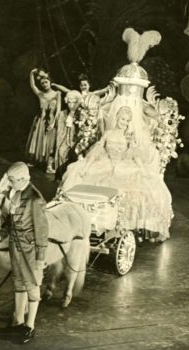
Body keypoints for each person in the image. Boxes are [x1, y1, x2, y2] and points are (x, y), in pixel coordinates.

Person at [61, 106, 173, 241]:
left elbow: (134, 154)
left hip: (122, 164)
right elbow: (98, 148)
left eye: (126, 120)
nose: (124, 122)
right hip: (106, 162)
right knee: (83, 174)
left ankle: (118, 224)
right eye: (122, 119)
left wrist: (141, 167)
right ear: (117, 118)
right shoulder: (108, 133)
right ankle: (88, 219)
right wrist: (88, 163)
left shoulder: (129, 135)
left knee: (132, 186)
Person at [2, 162, 48, 344]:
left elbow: (42, 231)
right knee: (18, 282)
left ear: (22, 179)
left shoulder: (35, 200)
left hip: (29, 250)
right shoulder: (15, 193)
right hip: (15, 246)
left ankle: (29, 326)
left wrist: (40, 258)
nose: (9, 183)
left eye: (12, 180)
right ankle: (18, 322)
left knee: (32, 285)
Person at [25, 68, 61, 172]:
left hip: (51, 122)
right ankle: (35, 161)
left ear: (50, 82)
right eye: (42, 83)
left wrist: (54, 122)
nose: (45, 84)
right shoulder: (40, 94)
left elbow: (58, 109)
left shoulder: (57, 94)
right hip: (41, 121)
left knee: (50, 143)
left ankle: (49, 166)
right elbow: (32, 85)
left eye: (46, 82)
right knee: (38, 141)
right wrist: (31, 73)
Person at [54, 90, 83, 179]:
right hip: (65, 140)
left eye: (74, 102)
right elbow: (60, 130)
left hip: (76, 142)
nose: (71, 105)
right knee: (61, 152)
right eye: (69, 102)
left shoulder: (81, 114)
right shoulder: (63, 113)